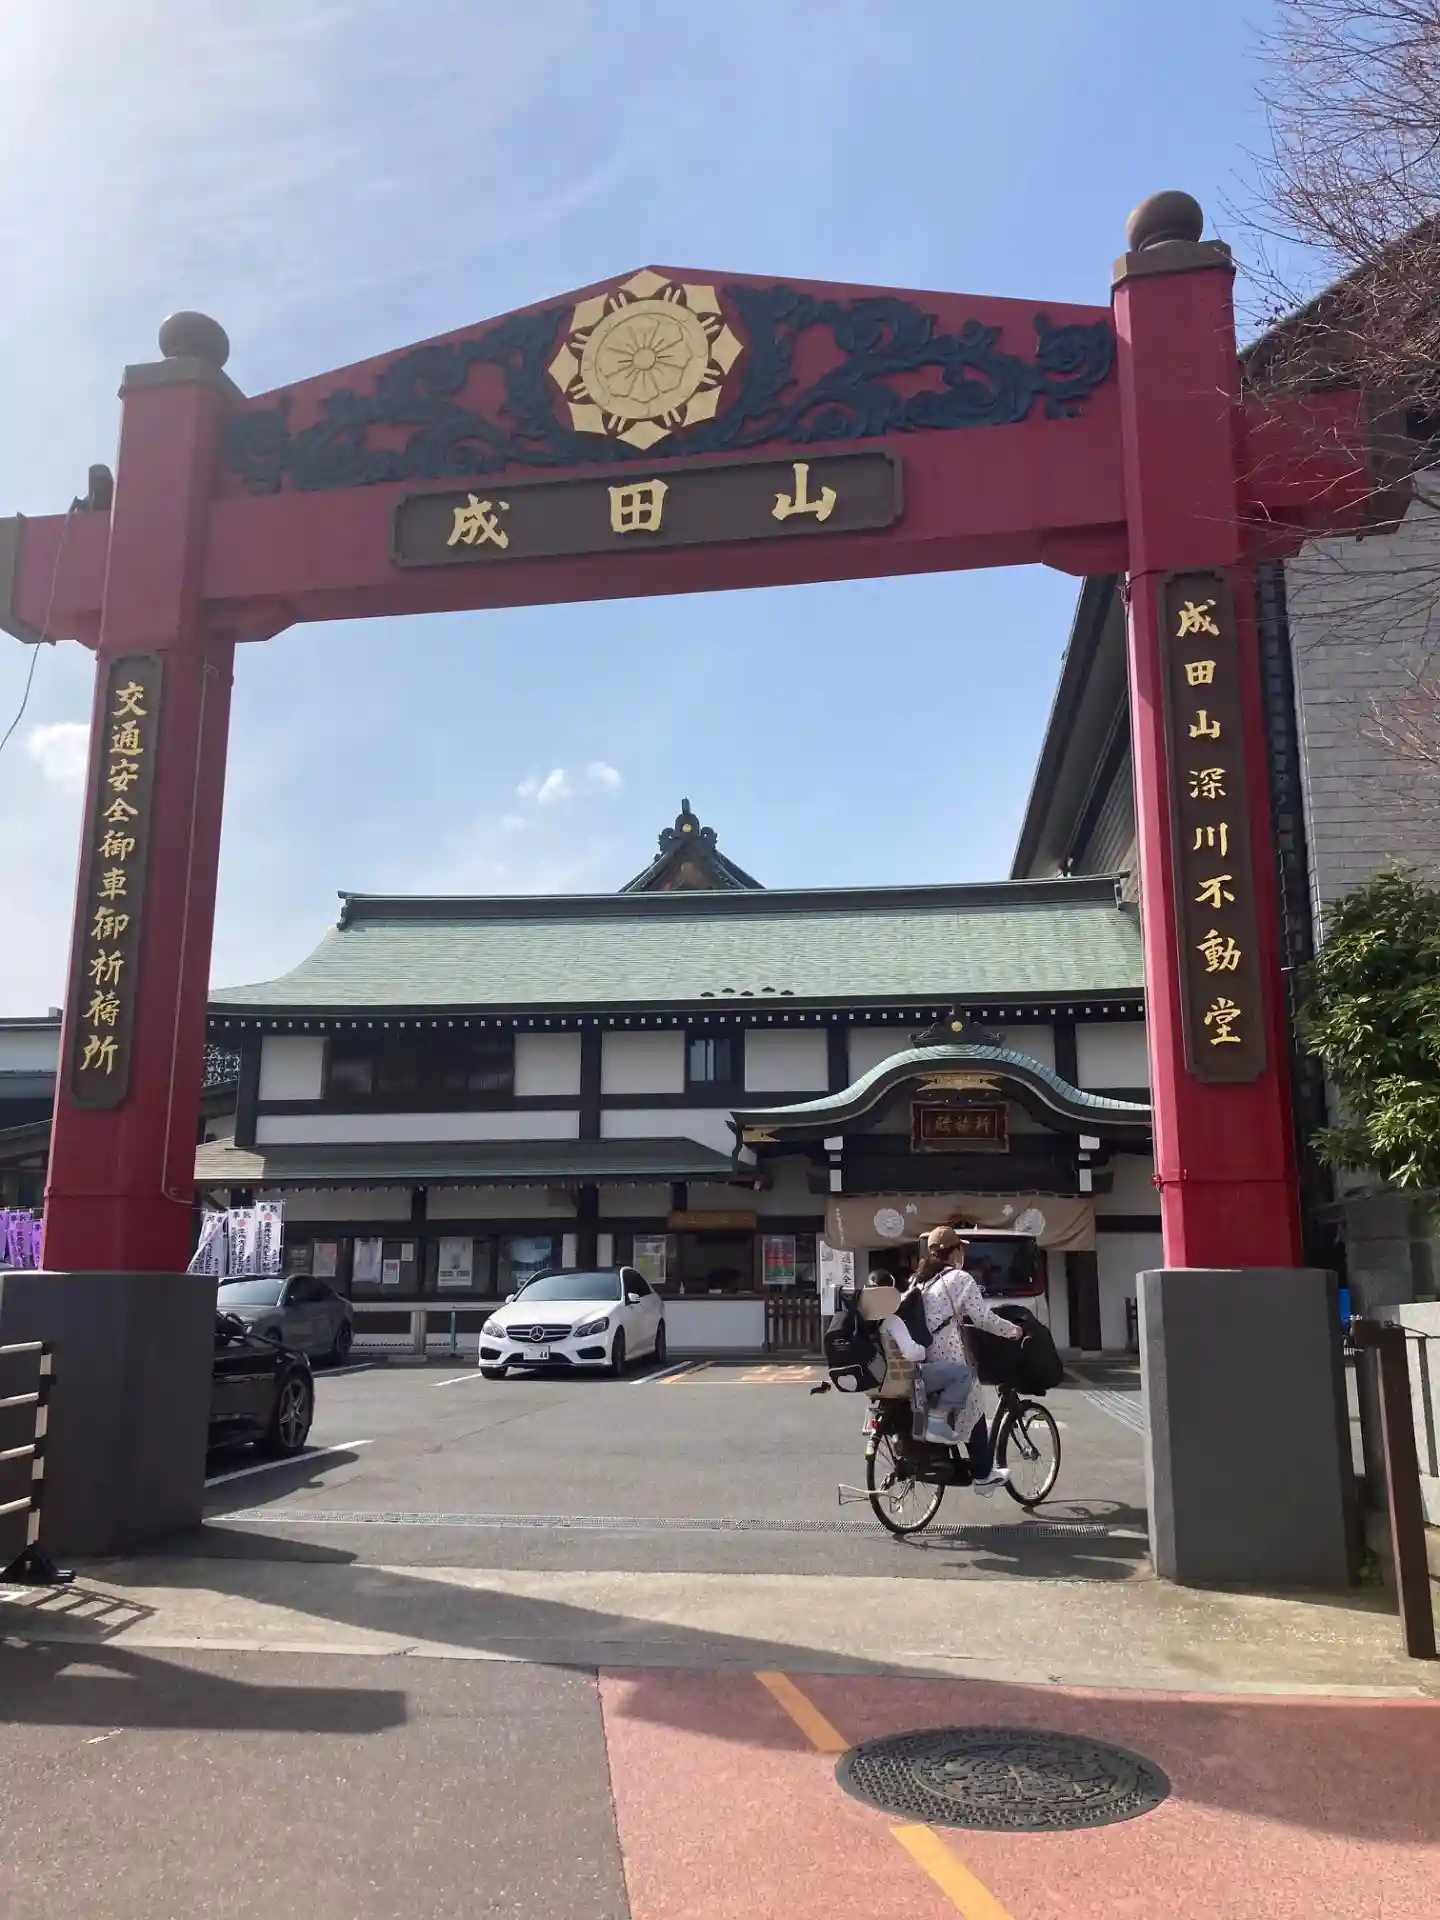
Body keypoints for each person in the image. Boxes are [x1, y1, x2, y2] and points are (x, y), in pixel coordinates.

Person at [883, 1226, 1023, 1494]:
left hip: (920, 1360)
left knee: (960, 1405)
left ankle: (948, 1455)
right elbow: (982, 1318)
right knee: (974, 1402)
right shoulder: (960, 1278)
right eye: (961, 1249)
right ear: (955, 1252)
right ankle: (982, 1475)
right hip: (948, 1356)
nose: (963, 1254)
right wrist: (1013, 1331)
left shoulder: (919, 1281)